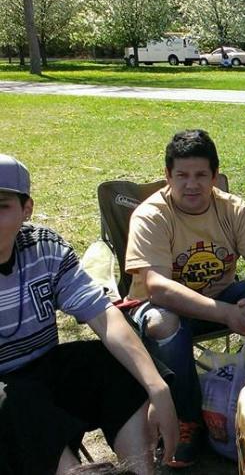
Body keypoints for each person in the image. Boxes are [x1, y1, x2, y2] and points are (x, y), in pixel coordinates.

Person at [125, 130, 245, 468]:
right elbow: (158, 286)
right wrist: (227, 314)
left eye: (201, 175)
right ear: (168, 176)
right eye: (182, 176)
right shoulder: (151, 215)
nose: (192, 184)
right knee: (163, 323)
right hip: (164, 306)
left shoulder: (232, 208)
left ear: (215, 176)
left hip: (221, 297)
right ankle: (186, 418)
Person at [0, 154, 178, 475]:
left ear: (26, 209)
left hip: (43, 367)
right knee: (12, 401)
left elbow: (104, 316)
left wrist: (157, 388)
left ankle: (140, 470)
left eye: (2, 206)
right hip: (5, 394)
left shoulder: (45, 248)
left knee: (117, 364)